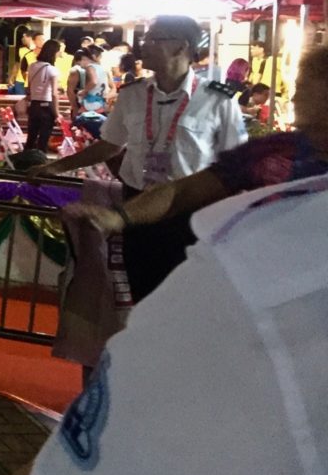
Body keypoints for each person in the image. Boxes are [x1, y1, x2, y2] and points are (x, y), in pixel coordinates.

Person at [0, 172, 328, 475]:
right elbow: (186, 186)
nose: (295, 100)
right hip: (149, 225)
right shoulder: (277, 186)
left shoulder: (262, 276)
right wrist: (120, 217)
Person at [63, 45, 328, 303]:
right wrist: (120, 216)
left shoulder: (218, 100)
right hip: (273, 291)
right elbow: (183, 191)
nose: (294, 98)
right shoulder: (272, 152)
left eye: (305, 89)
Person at [29, 15, 246, 303]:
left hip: (188, 214)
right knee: (139, 293)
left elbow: (237, 164)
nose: (144, 45)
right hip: (136, 208)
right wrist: (55, 166)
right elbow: (109, 145)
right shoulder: (132, 95)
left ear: (181, 47)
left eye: (154, 39)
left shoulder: (218, 100)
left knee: (183, 300)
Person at [25, 39, 62, 152]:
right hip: (46, 107)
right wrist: (57, 114)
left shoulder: (32, 66)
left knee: (31, 136)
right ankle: (40, 162)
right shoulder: (52, 70)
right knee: (43, 138)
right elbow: (54, 94)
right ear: (53, 53)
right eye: (58, 52)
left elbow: (29, 87)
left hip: (34, 105)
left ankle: (25, 161)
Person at [73, 45, 111, 139]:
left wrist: (83, 91)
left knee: (86, 132)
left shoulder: (90, 67)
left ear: (85, 58)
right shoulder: (103, 68)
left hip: (90, 105)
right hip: (100, 104)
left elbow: (93, 81)